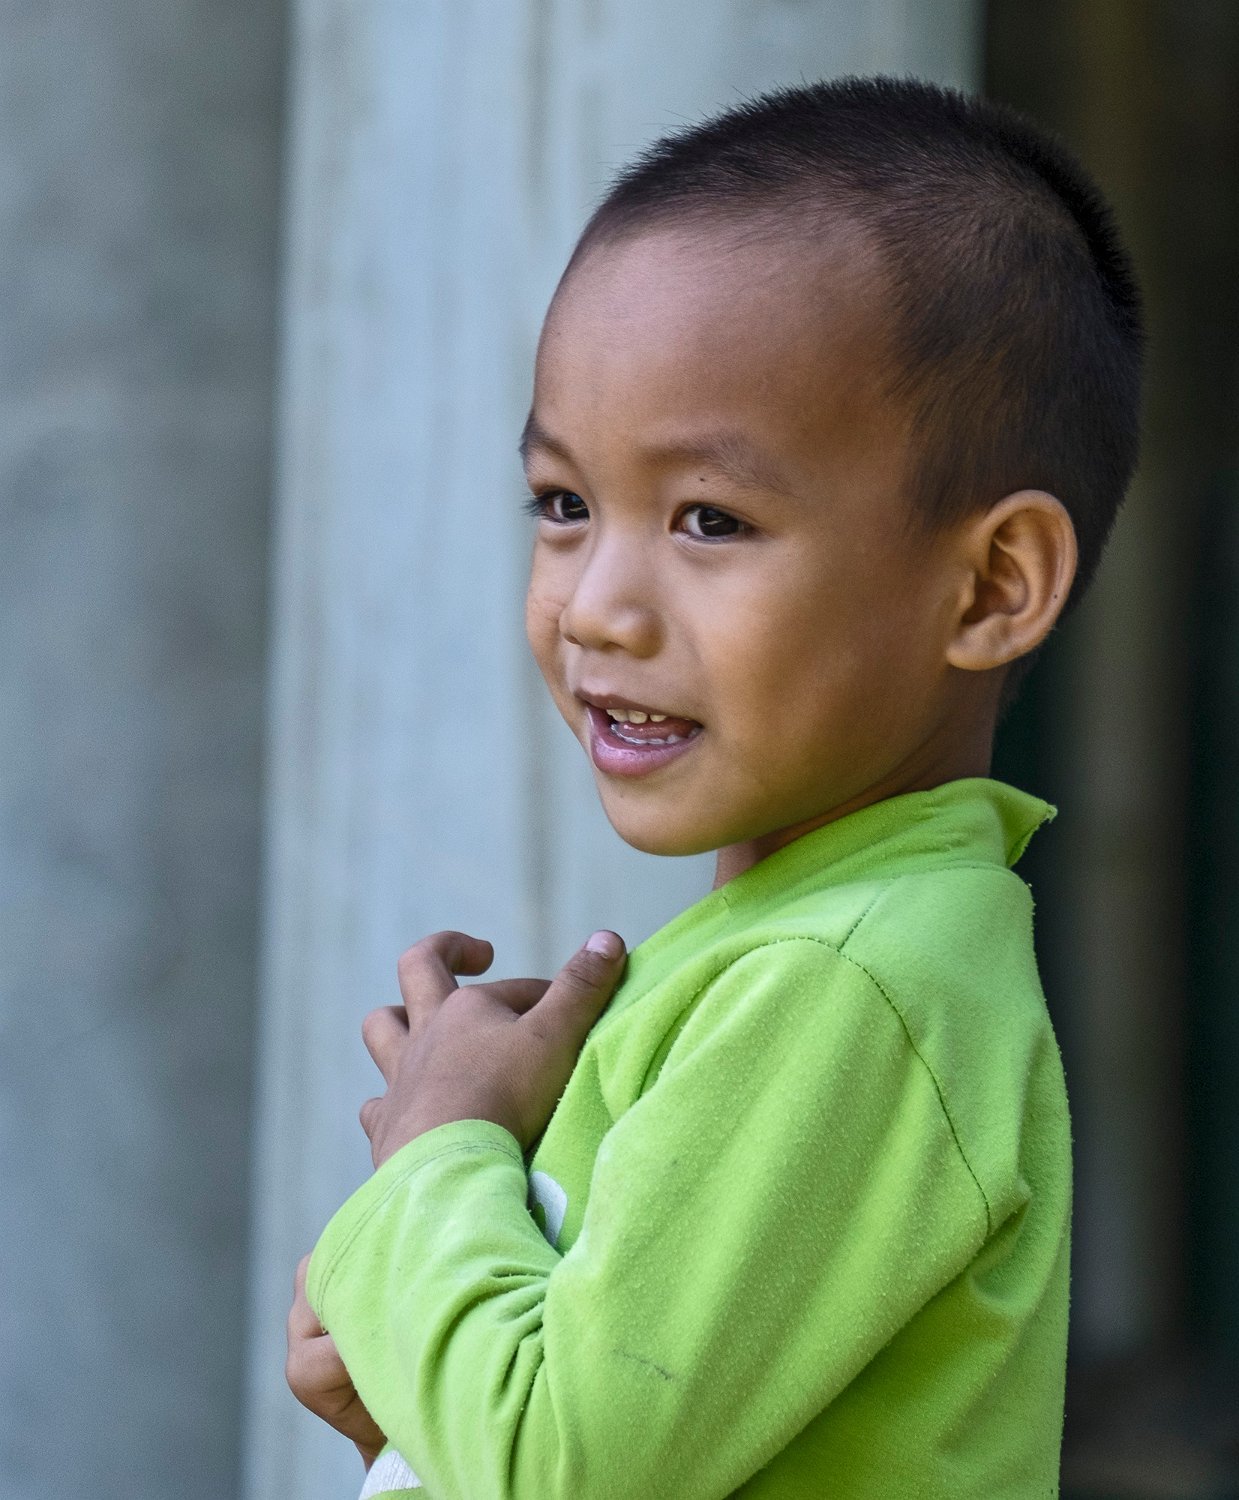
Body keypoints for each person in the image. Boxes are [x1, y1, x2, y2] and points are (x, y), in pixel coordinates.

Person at [285, 75, 1143, 1498]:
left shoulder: (850, 988)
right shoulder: (791, 956)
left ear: (993, 584)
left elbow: (563, 1461)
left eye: (709, 519)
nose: (596, 608)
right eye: (564, 505)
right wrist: (407, 1396)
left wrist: (440, 1145)